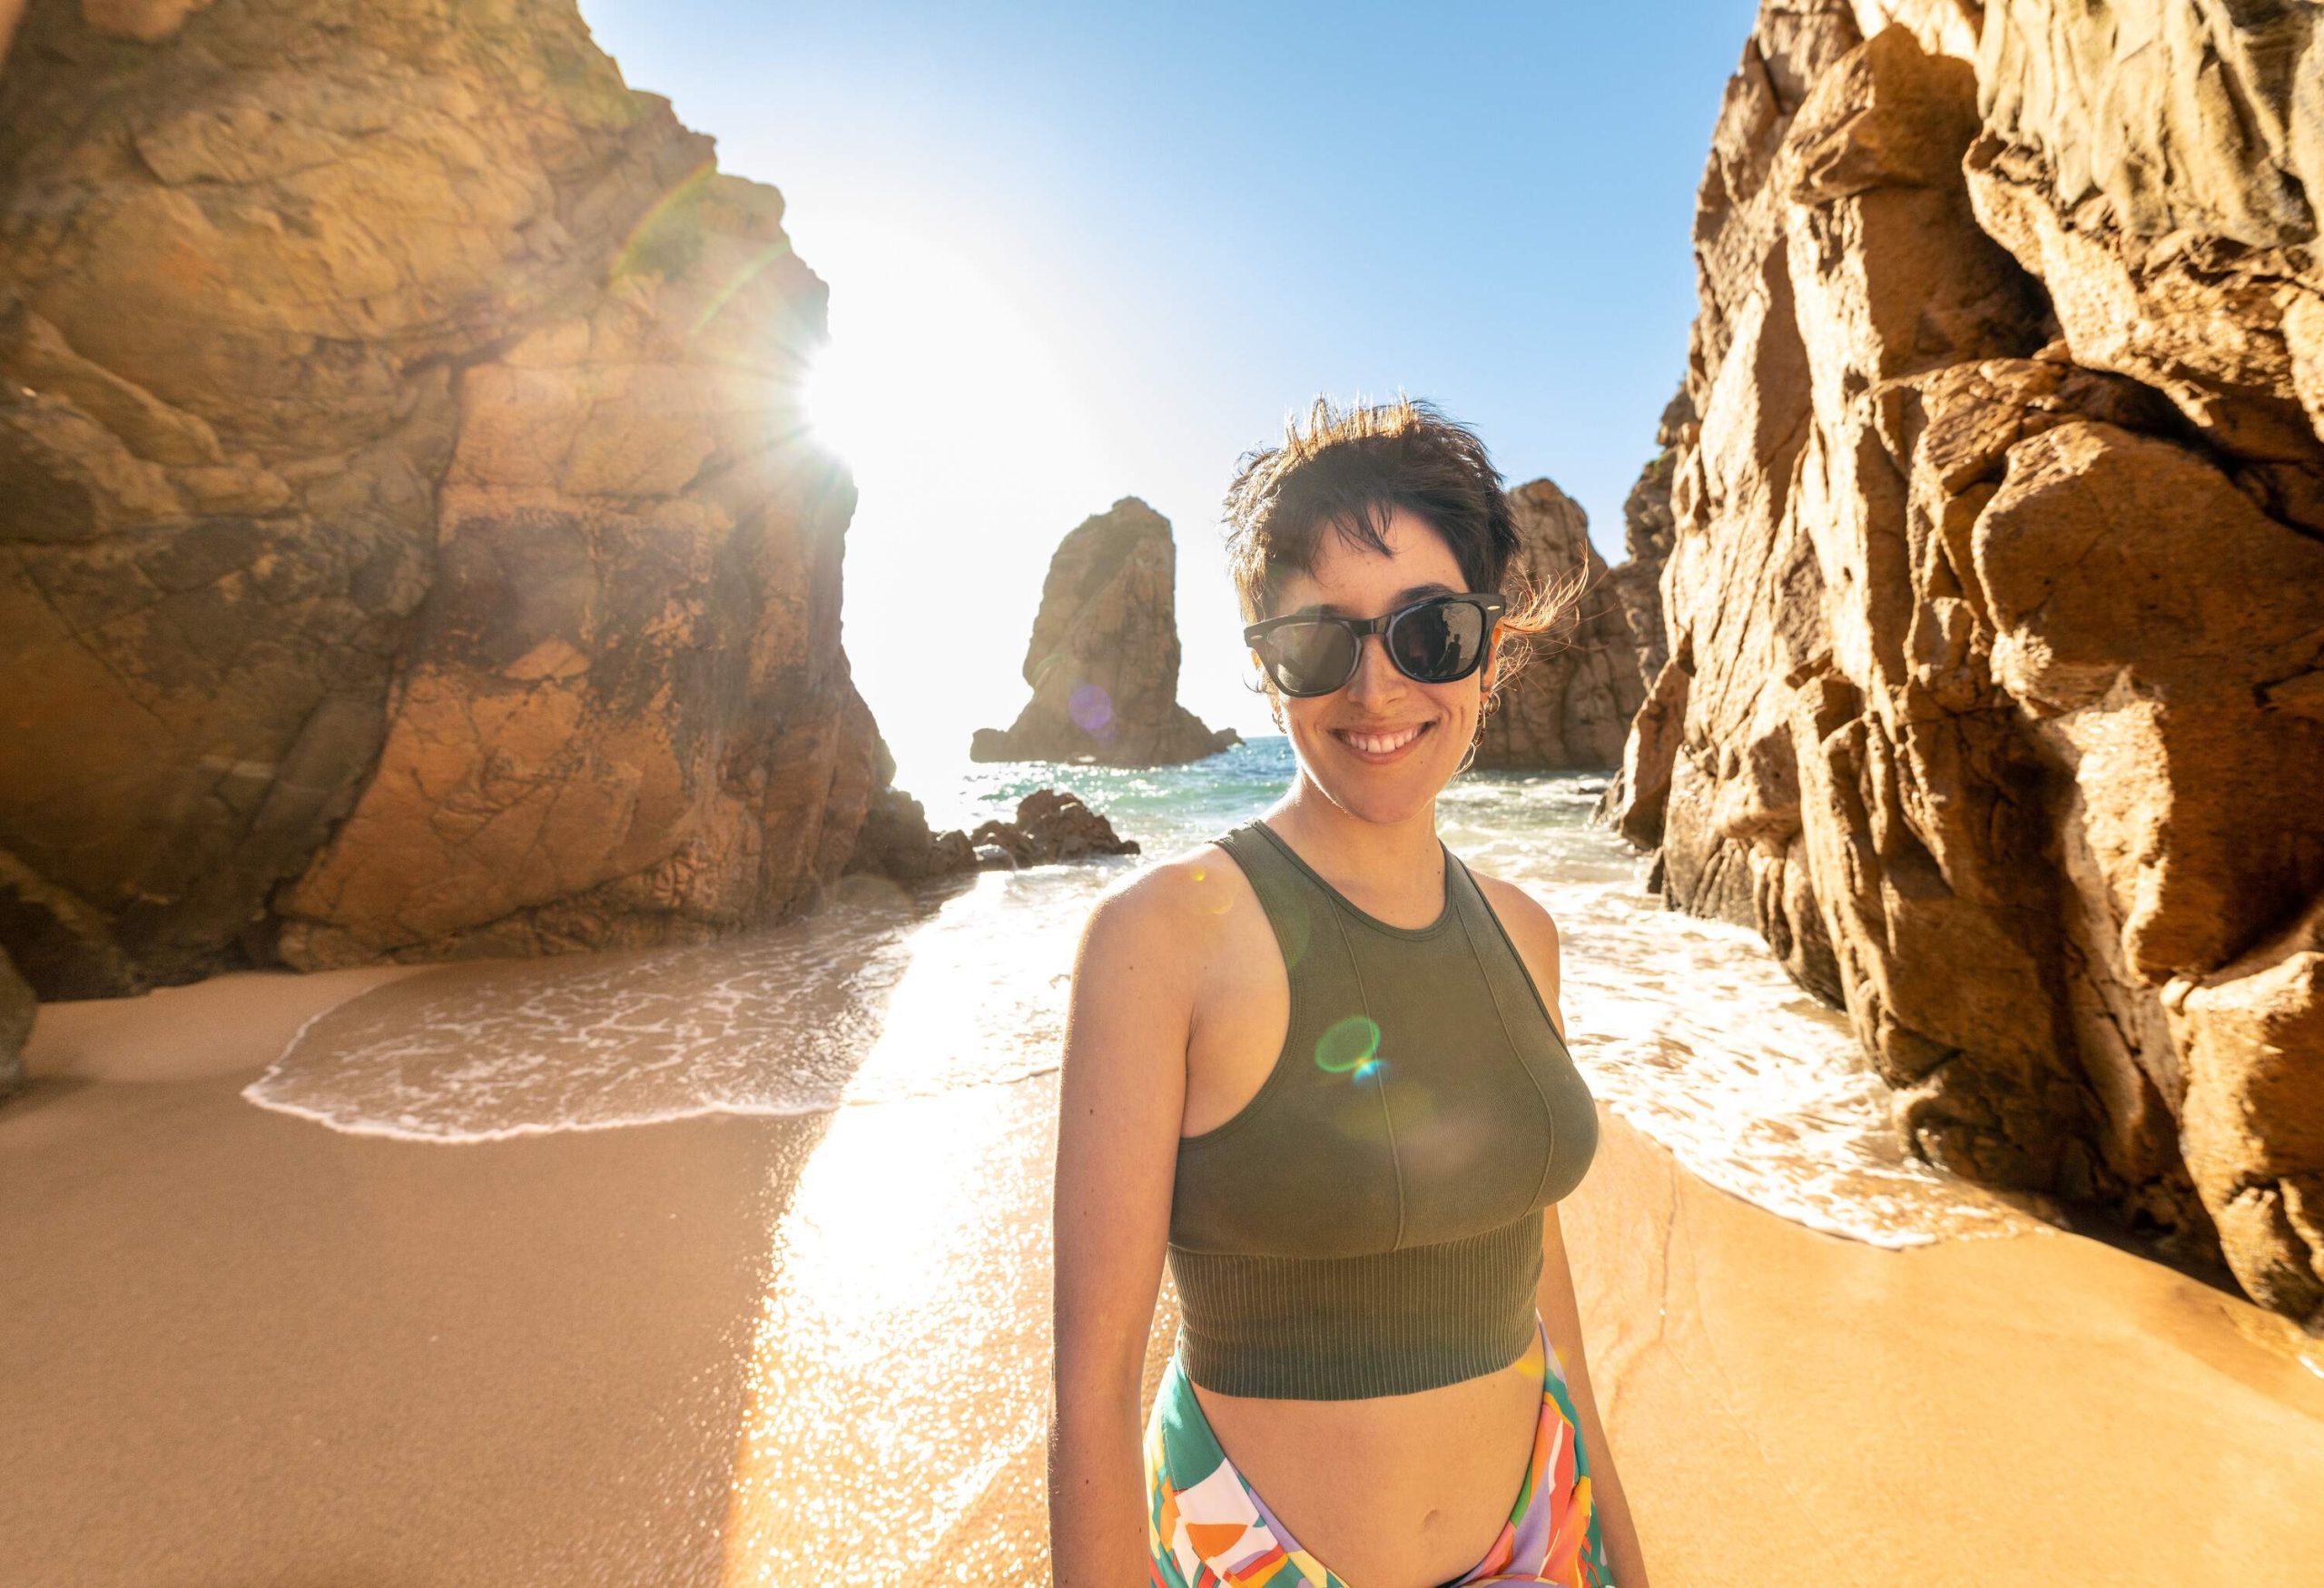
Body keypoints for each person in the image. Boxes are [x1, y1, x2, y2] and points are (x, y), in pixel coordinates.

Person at [1048, 397, 1650, 1588]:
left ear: (1488, 646)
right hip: (1257, 1561)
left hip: (1541, 1535)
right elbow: (1092, 1388)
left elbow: (1555, 1317)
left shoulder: (1526, 934)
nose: (1375, 689)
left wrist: (1627, 1563)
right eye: (1321, 642)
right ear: (1268, 664)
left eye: (1427, 632)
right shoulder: (1159, 939)